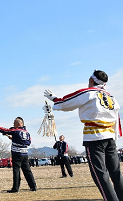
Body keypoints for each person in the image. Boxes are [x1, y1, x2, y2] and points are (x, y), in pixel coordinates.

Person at [44, 70, 123, 201]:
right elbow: (117, 120)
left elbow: (67, 102)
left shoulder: (89, 93)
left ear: (92, 80)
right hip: (110, 138)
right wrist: (115, 137)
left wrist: (54, 98)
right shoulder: (112, 97)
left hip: (94, 137)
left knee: (100, 175)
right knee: (116, 173)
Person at [0, 117, 37, 193]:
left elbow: (6, 130)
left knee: (16, 170)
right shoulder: (27, 133)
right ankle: (33, 186)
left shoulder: (16, 131)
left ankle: (15, 188)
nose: (13, 124)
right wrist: (14, 138)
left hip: (17, 153)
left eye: (14, 123)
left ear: (19, 124)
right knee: (27, 170)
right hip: (25, 153)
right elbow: (28, 142)